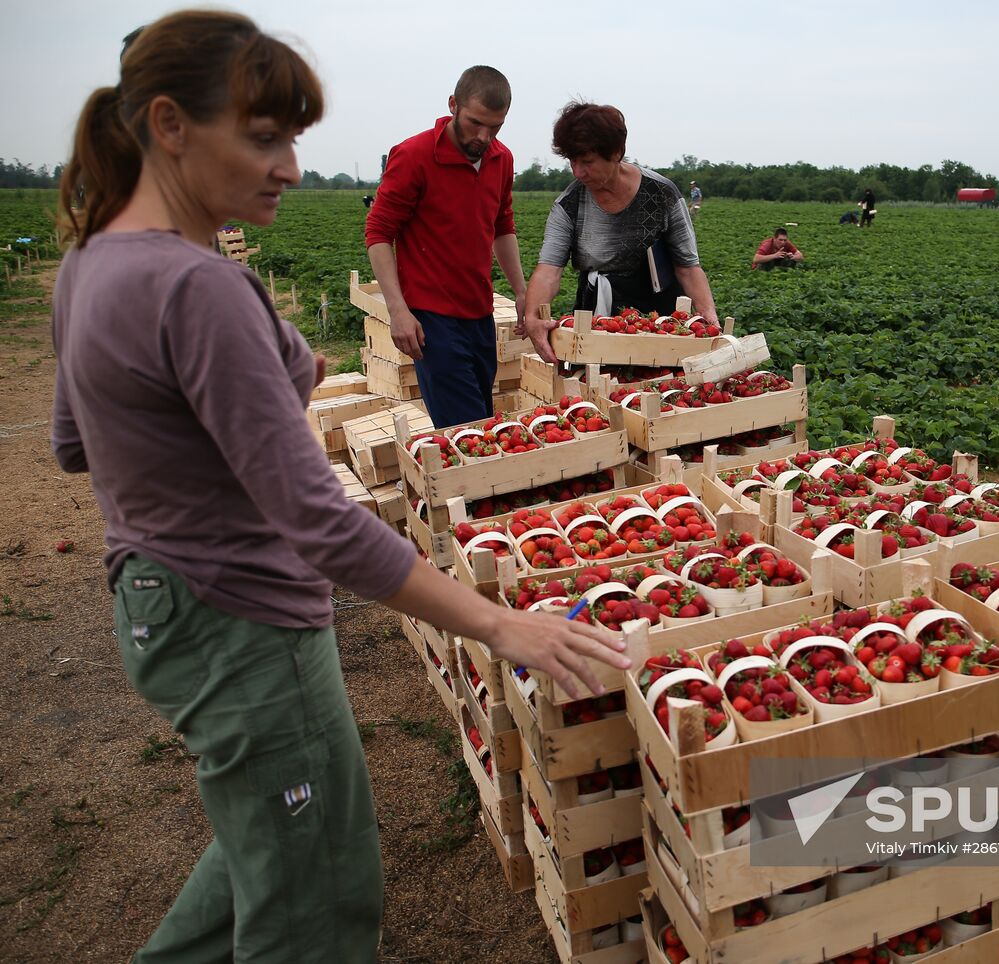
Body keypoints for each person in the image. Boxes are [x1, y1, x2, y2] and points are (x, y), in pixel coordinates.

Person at [51, 13, 628, 961]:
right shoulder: (199, 288)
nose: (289, 169)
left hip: (156, 602)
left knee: (262, 848)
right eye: (266, 138)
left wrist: (243, 380)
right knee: (313, 899)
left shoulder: (88, 264)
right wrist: (495, 623)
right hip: (245, 614)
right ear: (170, 125)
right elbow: (315, 519)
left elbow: (80, 444)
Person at [364, 66, 525, 427]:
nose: (484, 137)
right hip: (432, 320)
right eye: (475, 123)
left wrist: (520, 290)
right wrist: (398, 310)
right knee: (467, 431)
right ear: (453, 105)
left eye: (496, 126)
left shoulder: (502, 159)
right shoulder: (414, 155)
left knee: (481, 422)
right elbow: (378, 232)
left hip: (479, 314)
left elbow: (503, 226)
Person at [520, 102, 719, 363]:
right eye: (572, 161)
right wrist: (533, 318)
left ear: (616, 153)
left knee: (660, 380)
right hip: (599, 317)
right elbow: (548, 271)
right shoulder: (569, 205)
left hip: (660, 317)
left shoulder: (662, 194)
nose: (578, 172)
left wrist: (709, 319)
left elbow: (687, 267)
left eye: (587, 162)